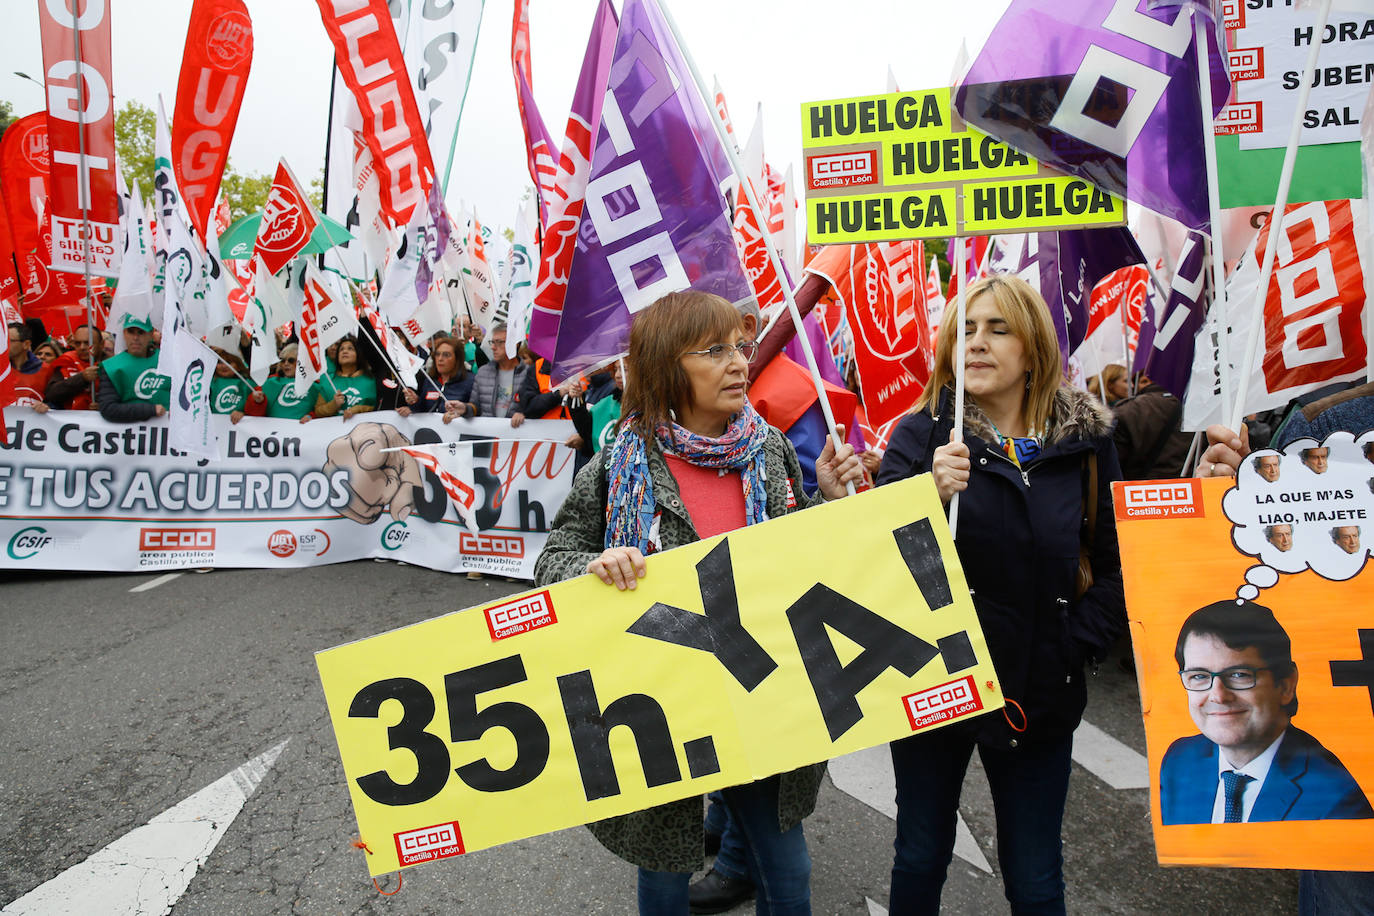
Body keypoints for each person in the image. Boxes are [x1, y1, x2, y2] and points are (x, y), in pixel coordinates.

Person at [534, 290, 861, 916]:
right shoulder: (620, 458)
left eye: (739, 346)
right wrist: (595, 564)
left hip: (761, 690)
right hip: (661, 707)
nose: (739, 361)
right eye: (714, 350)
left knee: (788, 874)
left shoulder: (767, 451)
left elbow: (798, 557)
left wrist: (826, 501)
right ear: (665, 365)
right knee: (664, 871)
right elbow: (555, 559)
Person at [876, 274, 1125, 915]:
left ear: (1033, 349)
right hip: (936, 680)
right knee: (921, 854)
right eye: (964, 329)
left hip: (1040, 689)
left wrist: (1071, 645)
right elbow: (874, 558)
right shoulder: (920, 436)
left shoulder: (1087, 443)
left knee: (1036, 876)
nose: (976, 343)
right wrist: (921, 496)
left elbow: (1117, 561)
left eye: (997, 328)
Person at [1160, 600, 1372, 825]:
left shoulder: (1336, 803)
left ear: (1286, 685)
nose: (1218, 696)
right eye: (1199, 676)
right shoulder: (1178, 759)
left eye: (1239, 675)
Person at [1110, 373, 1193, 480]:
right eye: (1144, 380)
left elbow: (1114, 463)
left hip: (1139, 490)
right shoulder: (1195, 408)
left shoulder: (1127, 410)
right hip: (1188, 489)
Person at [97, 315, 170, 422]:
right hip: (129, 435)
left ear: (150, 334)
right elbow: (108, 409)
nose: (135, 338)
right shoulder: (112, 367)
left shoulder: (169, 362)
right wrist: (150, 410)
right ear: (124, 334)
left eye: (141, 332)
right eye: (131, 332)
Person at [466, 323, 530, 423]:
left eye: (499, 342)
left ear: (515, 343)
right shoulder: (483, 372)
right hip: (487, 434)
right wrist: (464, 409)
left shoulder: (528, 373)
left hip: (515, 435)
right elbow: (475, 406)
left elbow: (534, 408)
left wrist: (525, 415)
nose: (493, 347)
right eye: (492, 342)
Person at [312, 337, 376, 420]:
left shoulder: (369, 380)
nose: (345, 351)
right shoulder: (328, 380)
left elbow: (373, 408)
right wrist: (333, 405)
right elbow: (318, 412)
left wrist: (357, 409)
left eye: (350, 349)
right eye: (341, 349)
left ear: (358, 354)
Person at [415, 335, 475, 418]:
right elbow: (422, 410)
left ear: (457, 359)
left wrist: (463, 411)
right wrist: (414, 402)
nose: (440, 359)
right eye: (437, 354)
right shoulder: (430, 380)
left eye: (446, 355)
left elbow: (476, 410)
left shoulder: (470, 381)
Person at [44, 323, 100, 411]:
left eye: (88, 343)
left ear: (101, 344)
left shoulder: (111, 364)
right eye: (78, 343)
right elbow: (51, 394)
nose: (82, 347)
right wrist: (82, 378)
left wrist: (103, 406)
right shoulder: (66, 361)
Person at [255, 345, 314, 421]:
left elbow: (320, 410)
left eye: (291, 361)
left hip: (301, 430)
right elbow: (254, 413)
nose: (286, 364)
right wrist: (257, 402)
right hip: (273, 429)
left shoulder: (314, 384)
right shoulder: (269, 382)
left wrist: (311, 416)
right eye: (283, 361)